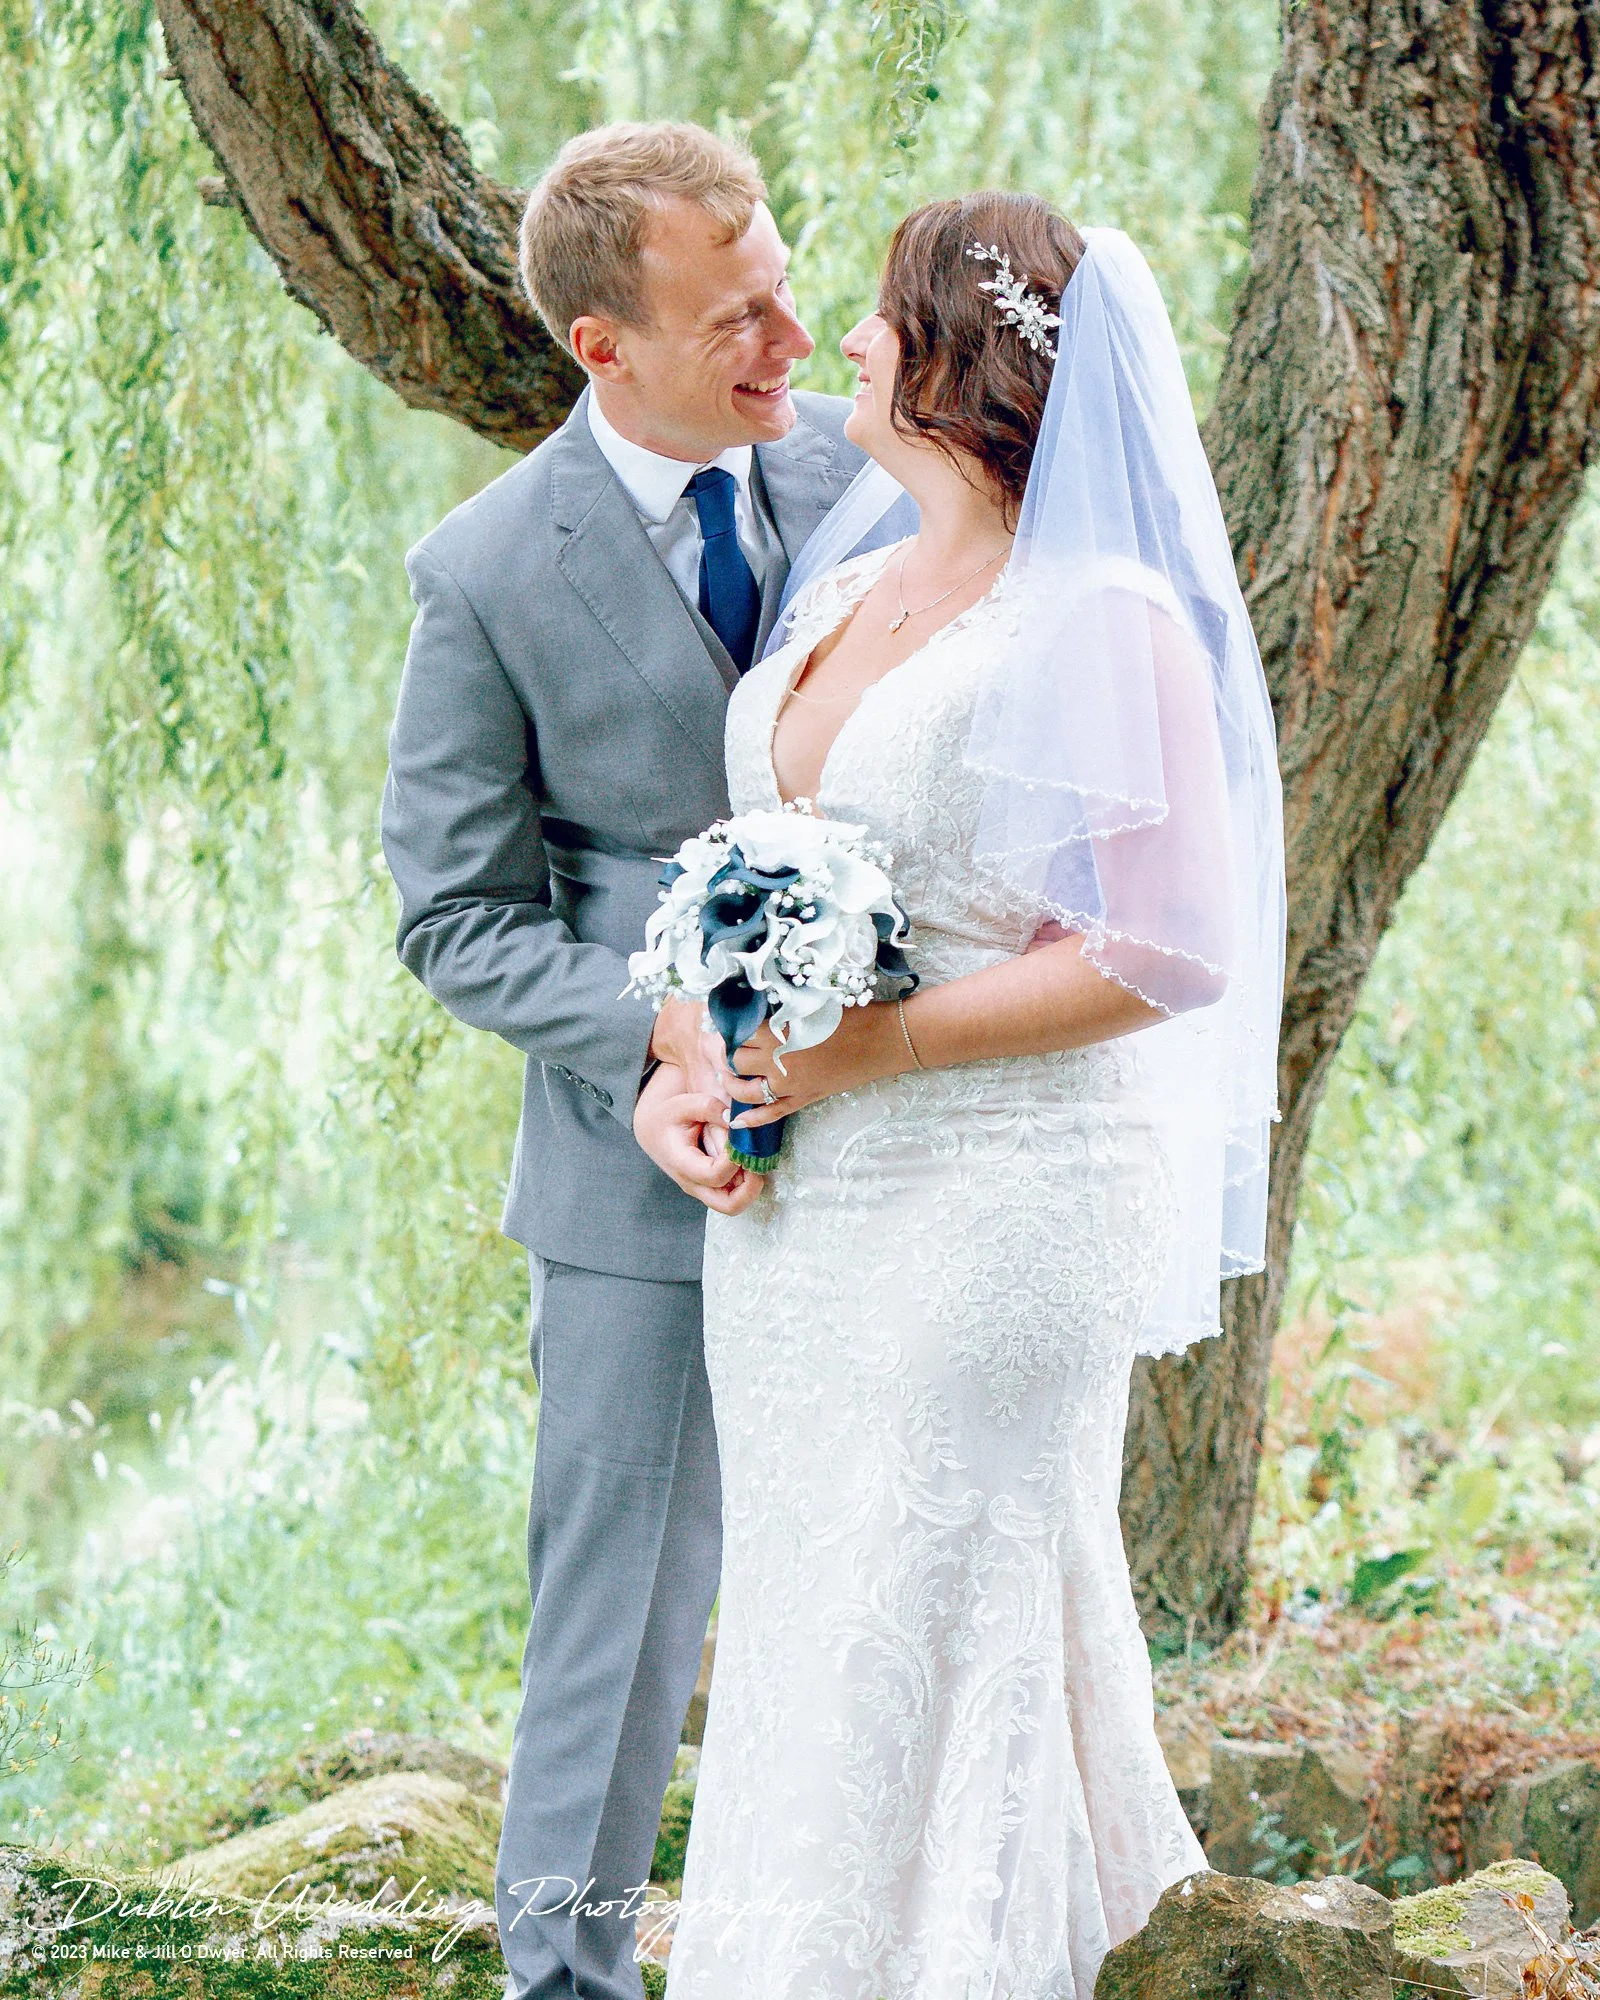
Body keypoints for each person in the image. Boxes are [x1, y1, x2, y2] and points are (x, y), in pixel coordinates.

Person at [634, 190, 1286, 1998]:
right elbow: (760, 869)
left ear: (955, 356)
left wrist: (876, 1048)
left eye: (875, 312)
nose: (842, 340)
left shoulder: (1103, 617)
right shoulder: (854, 589)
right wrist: (688, 1051)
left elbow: (1168, 949)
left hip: (994, 1206)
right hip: (801, 1224)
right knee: (812, 1615)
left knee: (929, 1601)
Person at [379, 121, 877, 2000]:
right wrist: (656, 1029)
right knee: (619, 1630)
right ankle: (566, 1980)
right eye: (738, 318)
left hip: (915, 1132)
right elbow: (454, 914)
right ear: (605, 345)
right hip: (631, 1183)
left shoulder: (880, 477)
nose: (795, 341)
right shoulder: (487, 571)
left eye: (786, 287)